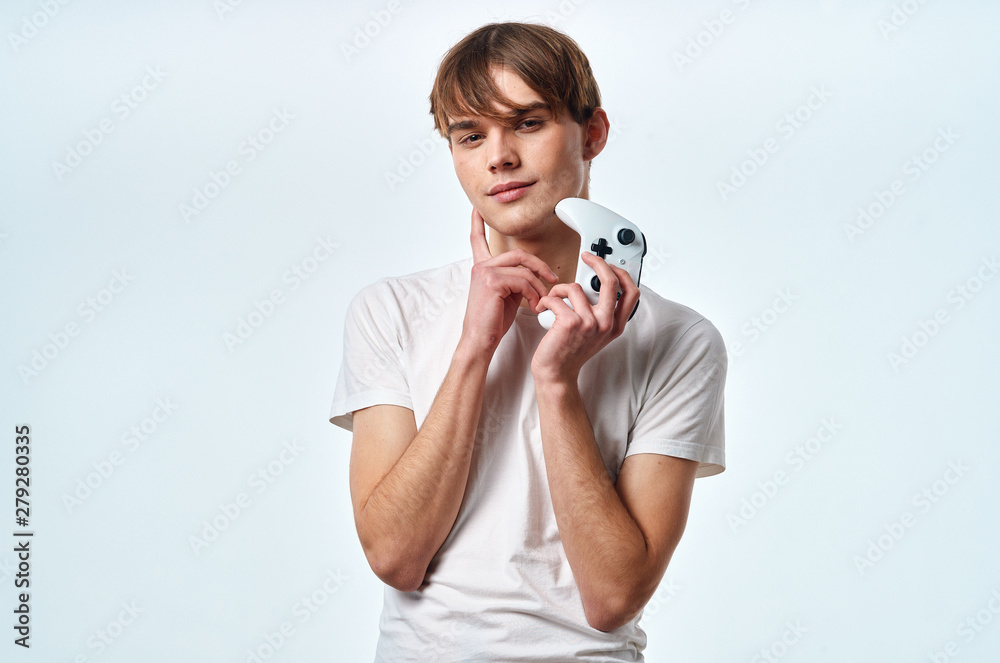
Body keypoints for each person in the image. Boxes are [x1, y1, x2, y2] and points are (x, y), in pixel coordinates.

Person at [329, 21, 727, 662]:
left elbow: (613, 598)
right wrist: (473, 348)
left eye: (529, 123)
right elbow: (395, 558)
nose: (499, 157)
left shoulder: (680, 341)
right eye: (470, 135)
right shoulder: (391, 311)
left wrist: (557, 382)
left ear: (592, 134)